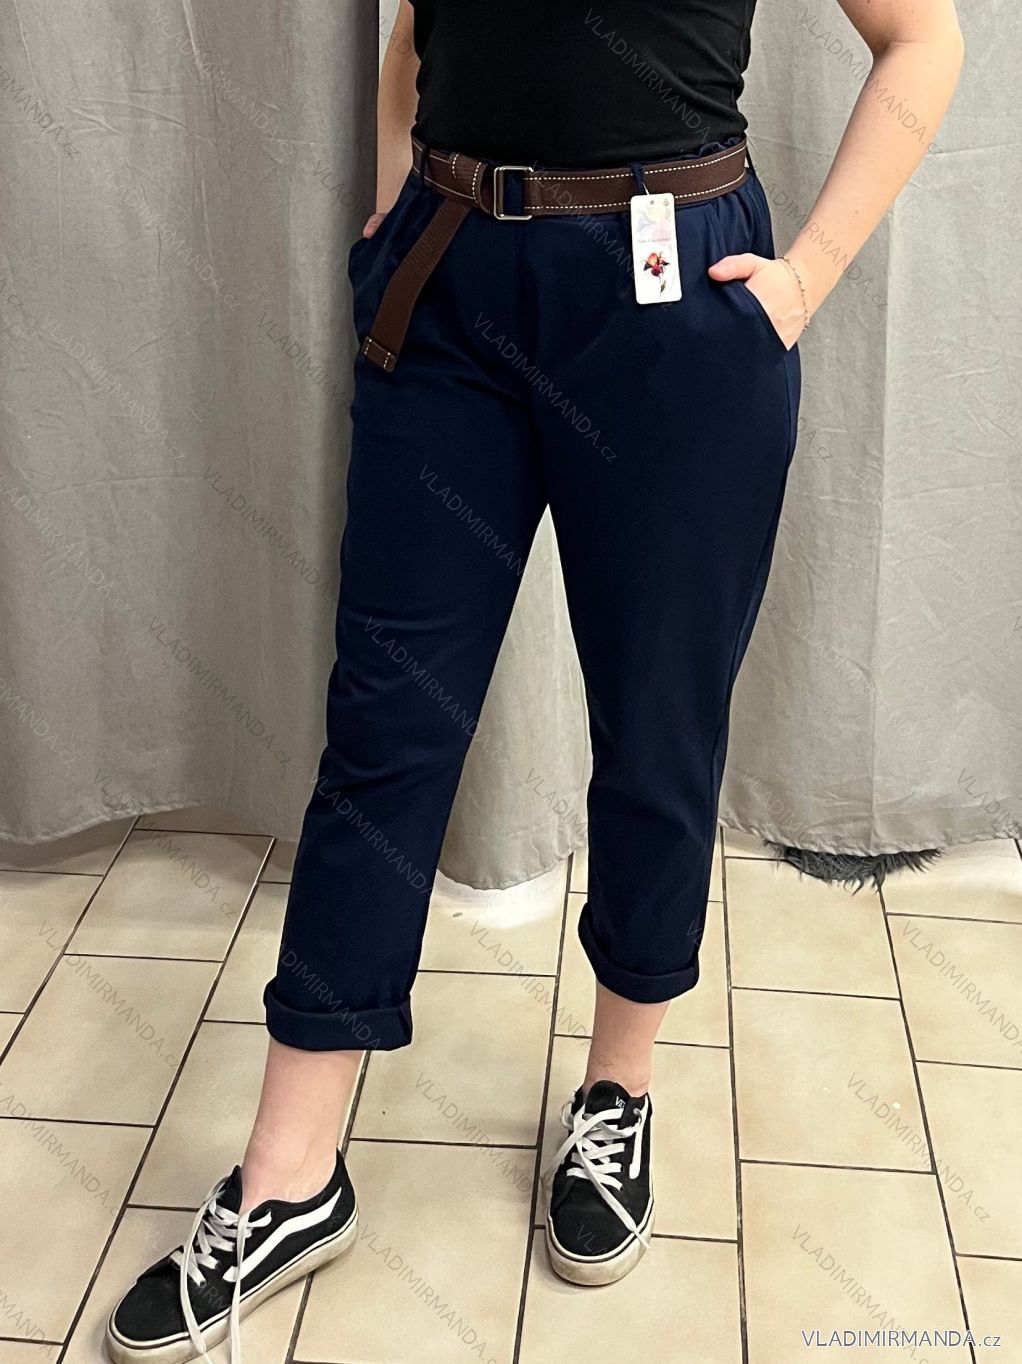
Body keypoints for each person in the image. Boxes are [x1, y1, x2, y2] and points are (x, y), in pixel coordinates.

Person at [105, 1, 964, 1359]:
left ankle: (618, 1093)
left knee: (657, 726)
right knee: (386, 726)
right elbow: (414, 31)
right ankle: (288, 1175)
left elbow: (923, 38)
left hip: (673, 299)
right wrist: (391, 222)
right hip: (450, 295)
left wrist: (801, 283)